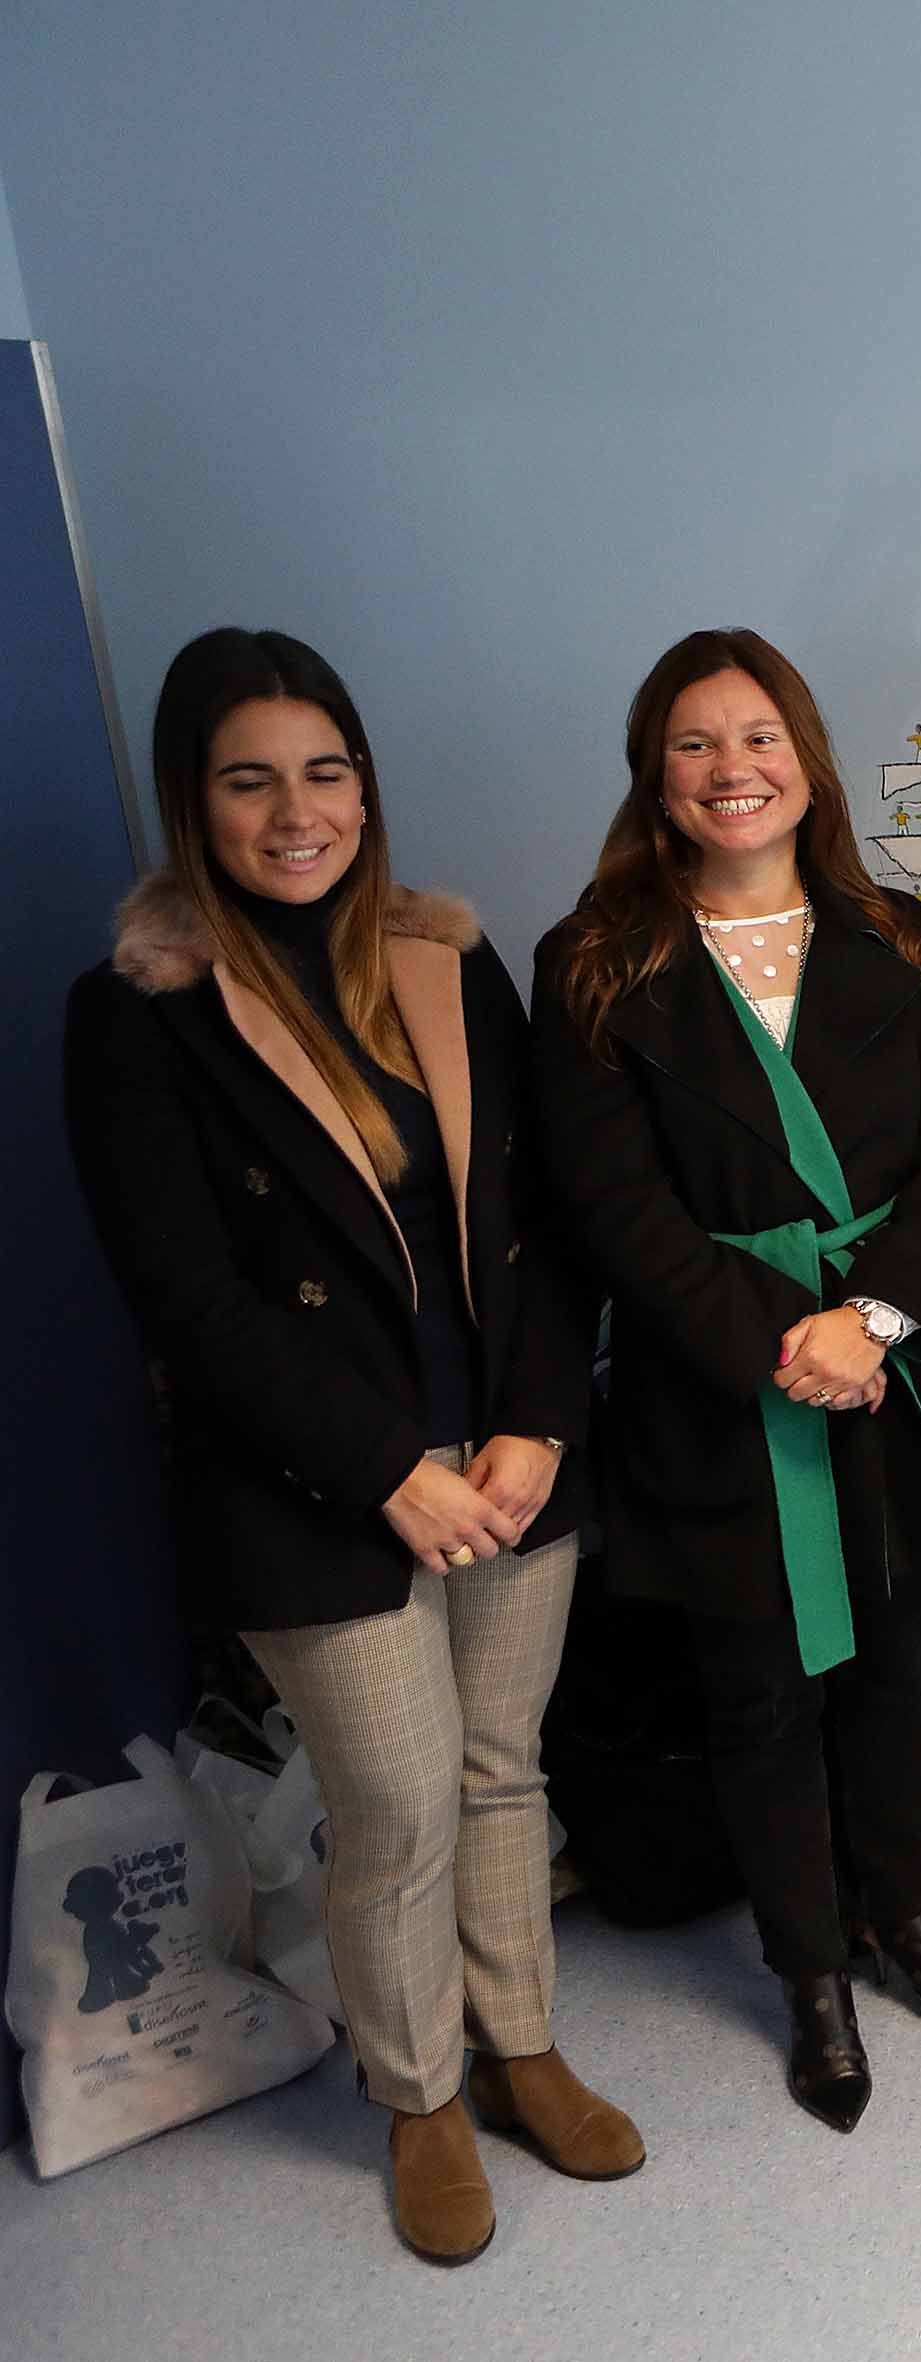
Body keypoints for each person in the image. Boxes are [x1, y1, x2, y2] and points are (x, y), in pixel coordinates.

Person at [66, 629, 631, 2264]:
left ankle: (521, 2045)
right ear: (194, 802)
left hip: (508, 1452)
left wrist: (537, 1417)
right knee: (393, 1799)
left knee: (503, 1766)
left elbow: (544, 1219)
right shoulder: (136, 1014)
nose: (295, 811)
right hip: (315, 1479)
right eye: (249, 781)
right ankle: (421, 2091)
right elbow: (185, 1298)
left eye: (325, 772)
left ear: (367, 787)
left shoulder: (448, 962)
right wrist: (388, 1464)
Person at [530, 627, 921, 2135]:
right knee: (758, 1695)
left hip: (891, 1367)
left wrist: (873, 1320)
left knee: (892, 1662)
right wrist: (782, 1345)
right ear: (654, 776)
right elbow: (613, 1210)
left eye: (758, 738)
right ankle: (809, 1975)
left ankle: (907, 1912)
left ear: (805, 760)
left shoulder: (898, 937)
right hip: (719, 1384)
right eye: (695, 744)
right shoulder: (595, 963)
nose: (731, 769)